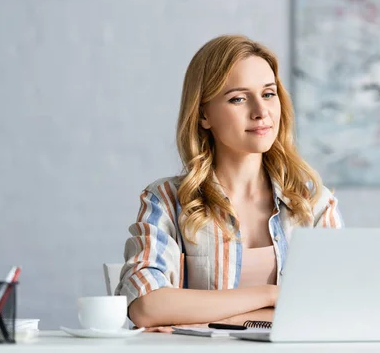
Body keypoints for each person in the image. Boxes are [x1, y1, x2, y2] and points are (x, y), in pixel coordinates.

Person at [115, 34, 343, 331]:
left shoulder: (313, 202)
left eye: (269, 94)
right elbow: (145, 306)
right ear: (203, 115)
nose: (261, 112)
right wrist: (271, 294)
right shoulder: (167, 199)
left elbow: (336, 307)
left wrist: (210, 316)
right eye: (238, 98)